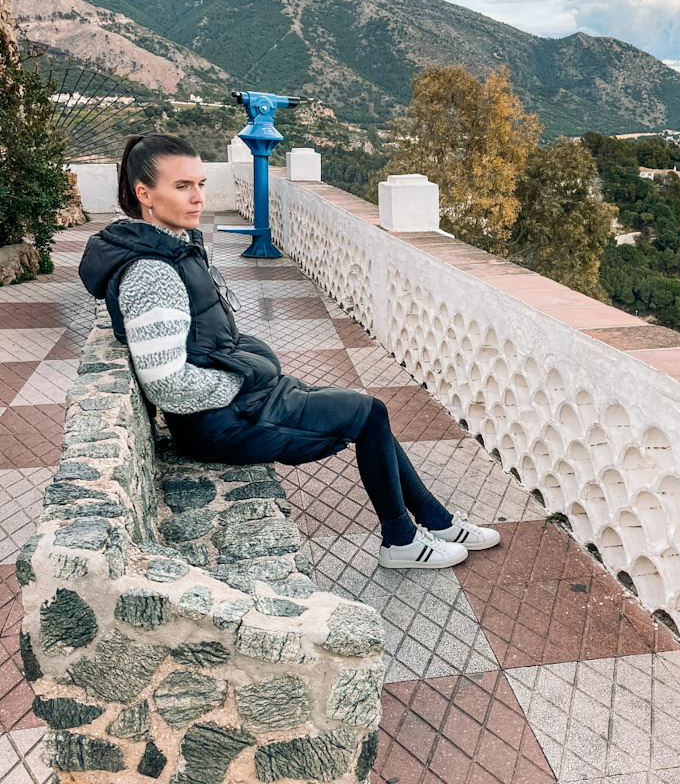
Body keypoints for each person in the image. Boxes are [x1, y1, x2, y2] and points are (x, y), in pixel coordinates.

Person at [79, 133, 500, 569]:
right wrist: (242, 378)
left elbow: (208, 338)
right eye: (182, 186)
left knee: (368, 414)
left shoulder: (172, 247)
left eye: (201, 183)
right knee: (367, 413)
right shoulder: (151, 272)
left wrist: (248, 367)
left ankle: (436, 520)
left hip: (238, 405)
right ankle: (400, 541)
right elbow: (168, 387)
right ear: (144, 193)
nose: (199, 198)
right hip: (223, 422)